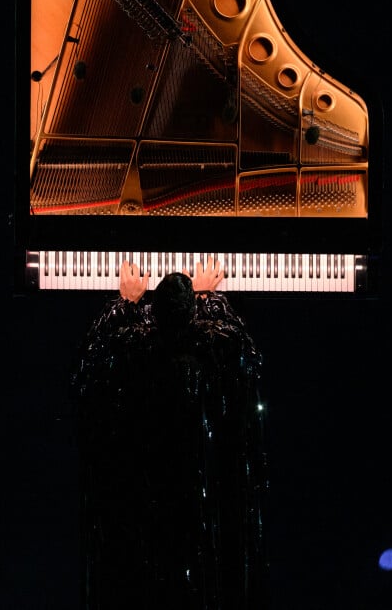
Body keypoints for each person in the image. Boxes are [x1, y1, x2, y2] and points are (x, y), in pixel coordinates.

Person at [70, 256, 269, 610]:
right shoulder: (212, 344)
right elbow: (245, 351)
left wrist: (127, 302)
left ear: (154, 313)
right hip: (196, 483)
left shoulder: (132, 345)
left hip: (145, 486)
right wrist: (209, 296)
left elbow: (91, 357)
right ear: (192, 315)